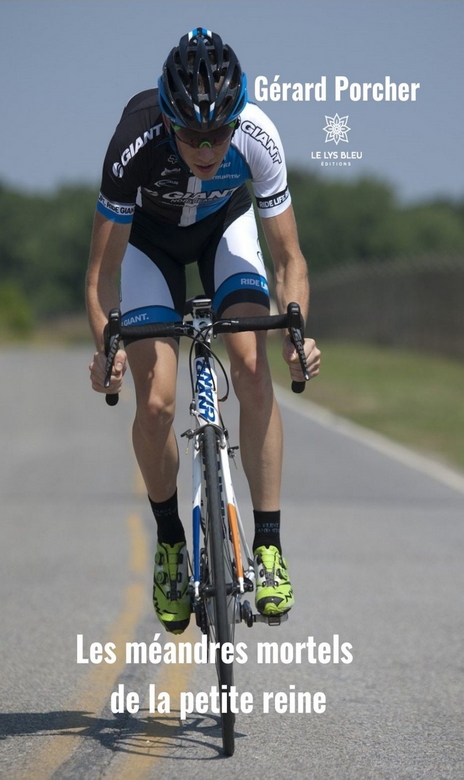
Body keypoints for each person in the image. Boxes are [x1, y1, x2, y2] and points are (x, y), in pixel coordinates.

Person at [87, 27, 320, 635]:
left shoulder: (257, 136)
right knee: (158, 402)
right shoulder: (133, 139)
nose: (207, 147)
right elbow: (100, 278)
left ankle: (267, 548)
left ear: (237, 118)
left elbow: (291, 260)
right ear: (167, 120)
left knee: (250, 365)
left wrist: (298, 337)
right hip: (149, 245)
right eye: (191, 134)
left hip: (224, 230)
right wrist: (105, 346)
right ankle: (171, 544)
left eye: (218, 132)